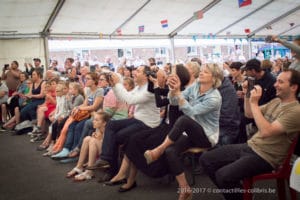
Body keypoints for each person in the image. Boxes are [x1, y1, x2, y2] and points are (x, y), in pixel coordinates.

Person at [200, 69, 300, 200]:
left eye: (280, 82)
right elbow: (249, 114)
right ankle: (241, 195)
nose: (275, 85)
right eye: (276, 81)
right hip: (251, 146)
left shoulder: (295, 111)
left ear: (293, 87)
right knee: (206, 159)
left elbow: (266, 131)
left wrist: (254, 102)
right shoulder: (276, 102)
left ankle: (239, 195)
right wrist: (248, 95)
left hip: (266, 157)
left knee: (223, 176)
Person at [105, 64, 190, 193]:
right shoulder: (171, 90)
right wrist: (153, 82)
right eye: (167, 74)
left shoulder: (183, 92)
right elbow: (155, 95)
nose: (167, 76)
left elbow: (159, 102)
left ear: (179, 77)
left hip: (174, 130)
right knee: (132, 139)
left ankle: (130, 178)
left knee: (134, 140)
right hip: (165, 126)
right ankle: (127, 178)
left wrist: (156, 85)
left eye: (170, 74)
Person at [143, 63, 223, 200]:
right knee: (171, 151)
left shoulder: (214, 98)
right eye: (201, 71)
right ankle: (185, 188)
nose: (201, 73)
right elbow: (173, 102)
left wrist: (179, 93)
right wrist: (174, 90)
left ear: (214, 78)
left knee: (184, 119)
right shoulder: (196, 86)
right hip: (191, 132)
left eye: (206, 72)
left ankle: (159, 149)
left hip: (207, 137)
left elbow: (191, 112)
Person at [89, 65, 161, 181]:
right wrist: (114, 86)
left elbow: (130, 100)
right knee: (111, 125)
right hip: (138, 120)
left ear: (146, 75)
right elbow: (123, 98)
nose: (134, 73)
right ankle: (106, 159)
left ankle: (111, 168)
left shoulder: (150, 89)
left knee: (118, 136)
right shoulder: (139, 87)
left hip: (148, 124)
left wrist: (117, 84)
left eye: (138, 71)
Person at [66, 111, 111, 181]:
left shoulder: (108, 130)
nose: (93, 121)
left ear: (104, 123)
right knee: (87, 138)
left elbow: (108, 147)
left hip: (108, 156)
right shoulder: (98, 128)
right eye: (94, 119)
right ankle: (79, 167)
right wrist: (96, 137)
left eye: (96, 120)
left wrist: (99, 139)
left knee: (92, 140)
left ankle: (90, 172)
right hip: (101, 152)